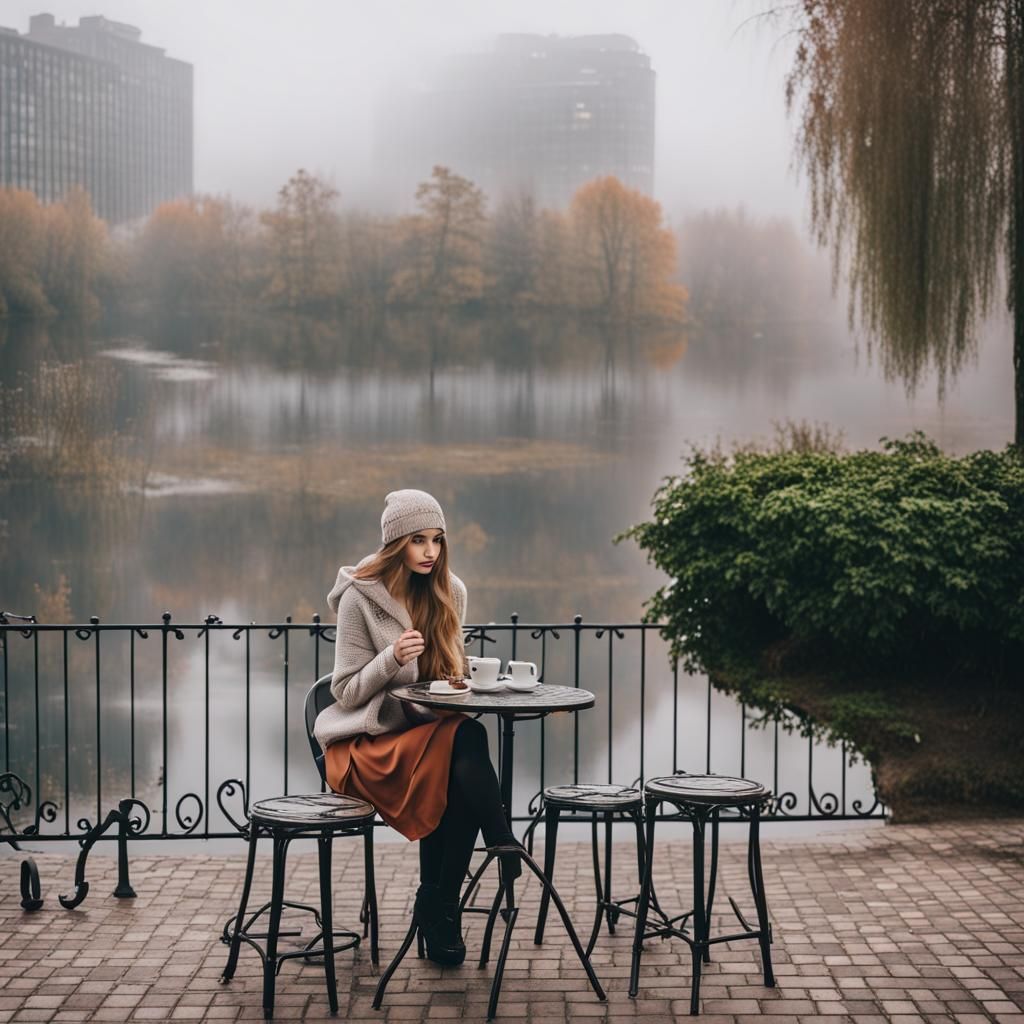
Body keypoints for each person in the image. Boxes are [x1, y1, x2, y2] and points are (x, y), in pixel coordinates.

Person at [313, 488, 521, 966]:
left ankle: (439, 904)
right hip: (367, 743)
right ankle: (497, 843)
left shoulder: (452, 592)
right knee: (468, 745)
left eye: (437, 540)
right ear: (395, 545)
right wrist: (390, 659)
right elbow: (344, 691)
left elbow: (447, 677)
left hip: (425, 734)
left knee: (464, 748)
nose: (430, 552)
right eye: (418, 541)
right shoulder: (358, 599)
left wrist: (459, 680)